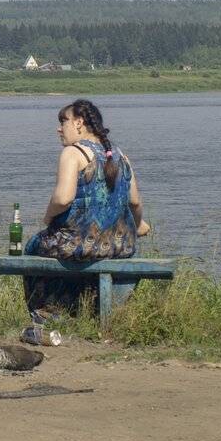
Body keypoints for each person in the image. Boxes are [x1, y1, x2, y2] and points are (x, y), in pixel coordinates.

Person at [24, 99, 150, 318]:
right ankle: (98, 312)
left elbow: (63, 199)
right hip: (120, 247)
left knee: (34, 245)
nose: (59, 129)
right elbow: (135, 202)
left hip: (80, 245)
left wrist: (48, 217)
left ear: (79, 123)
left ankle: (48, 313)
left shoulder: (73, 153)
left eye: (63, 122)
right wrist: (138, 225)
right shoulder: (119, 155)